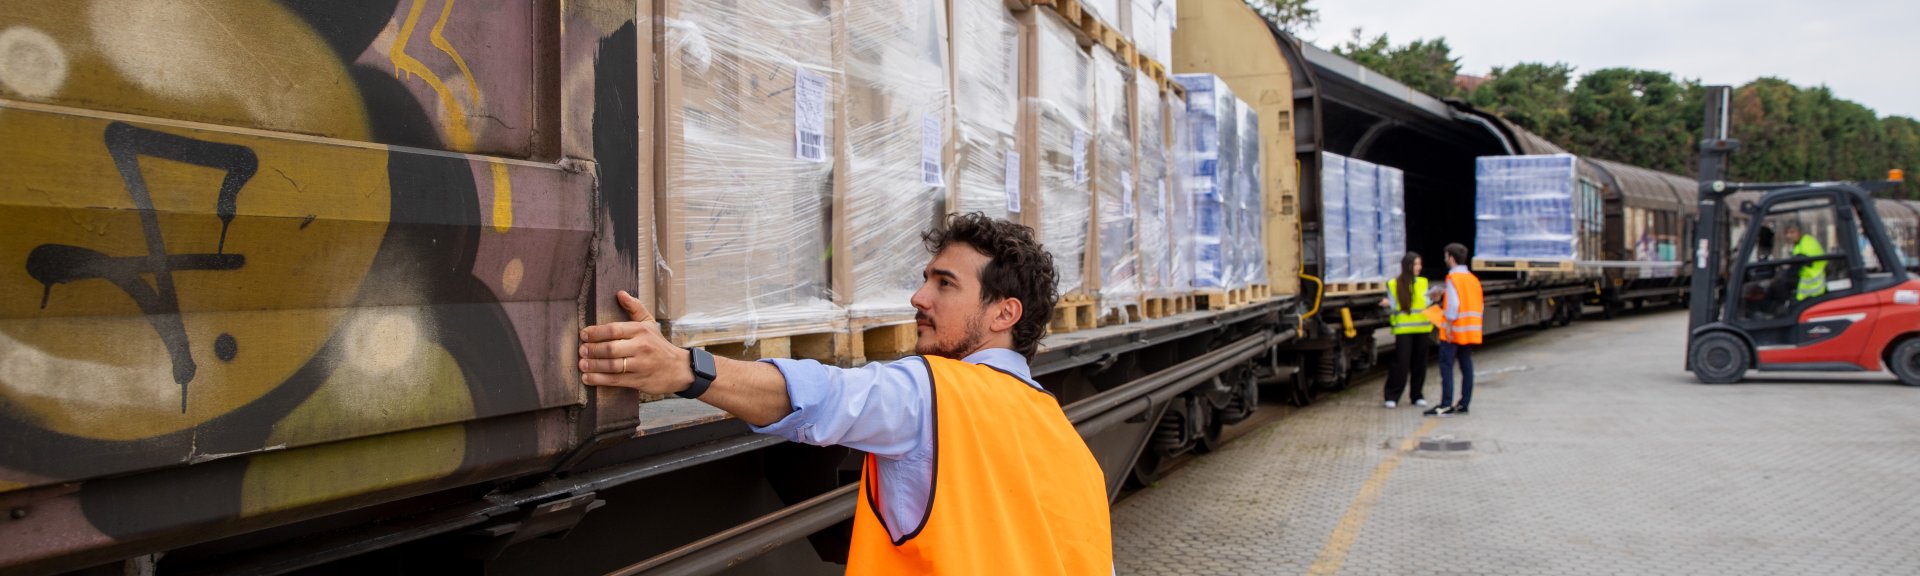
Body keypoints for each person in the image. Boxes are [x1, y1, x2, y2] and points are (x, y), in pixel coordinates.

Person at [577, 213, 1113, 574]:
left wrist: (680, 368)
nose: (918, 296)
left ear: (1004, 312)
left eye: (944, 284)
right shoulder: (1069, 446)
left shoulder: (932, 393)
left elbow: (815, 397)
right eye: (926, 278)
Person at [1425, 243, 1482, 417]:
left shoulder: (1452, 278)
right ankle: (1464, 403)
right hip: (1469, 330)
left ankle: (1446, 403)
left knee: (1446, 366)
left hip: (1454, 330)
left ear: (1450, 257)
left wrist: (1448, 325)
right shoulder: (1473, 279)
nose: (1445, 259)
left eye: (1445, 255)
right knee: (1466, 366)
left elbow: (1454, 305)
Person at [1377, 252, 1431, 409]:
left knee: (1420, 363)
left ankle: (1417, 395)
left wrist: (1434, 298)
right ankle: (1392, 395)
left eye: (1420, 264)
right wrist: (1388, 303)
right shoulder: (1394, 284)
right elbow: (1394, 305)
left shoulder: (1423, 282)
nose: (1418, 267)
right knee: (1401, 362)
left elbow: (1425, 303)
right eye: (1415, 264)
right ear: (1407, 266)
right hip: (1404, 330)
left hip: (1422, 328)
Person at [1785, 221, 1826, 301]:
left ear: (1800, 232)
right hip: (1806, 287)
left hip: (1814, 288)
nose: (1789, 236)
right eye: (1787, 233)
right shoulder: (1800, 244)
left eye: (1792, 232)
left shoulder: (1807, 243)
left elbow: (1796, 266)